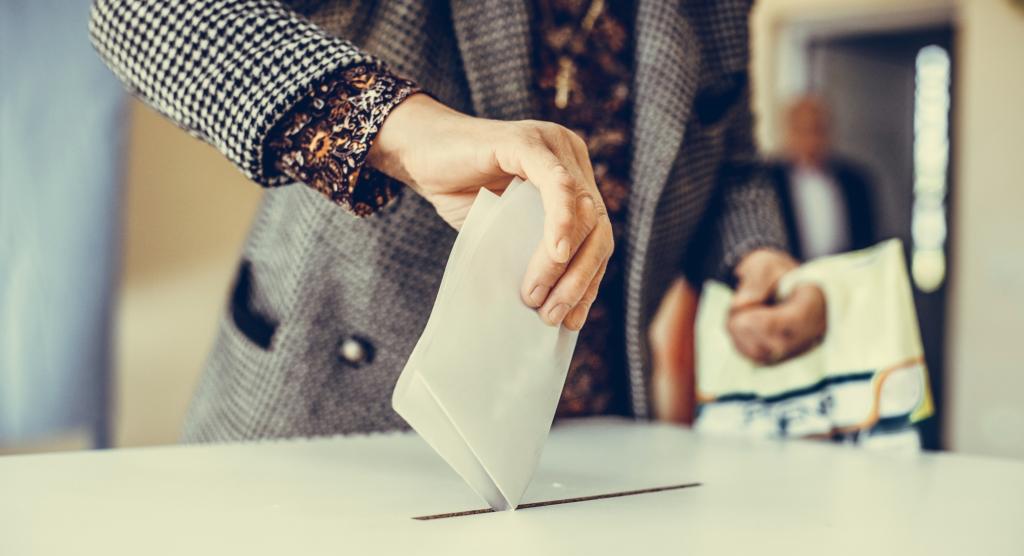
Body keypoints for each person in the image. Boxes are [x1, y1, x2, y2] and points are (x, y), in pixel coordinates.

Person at [89, 0, 827, 442]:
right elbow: (145, 15)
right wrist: (407, 131)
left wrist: (756, 254)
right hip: (335, 408)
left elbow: (726, 153)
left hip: (590, 440)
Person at [768, 96, 876, 261]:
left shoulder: (856, 181)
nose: (810, 140)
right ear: (788, 131)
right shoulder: (768, 182)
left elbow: (868, 241)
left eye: (817, 129)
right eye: (802, 130)